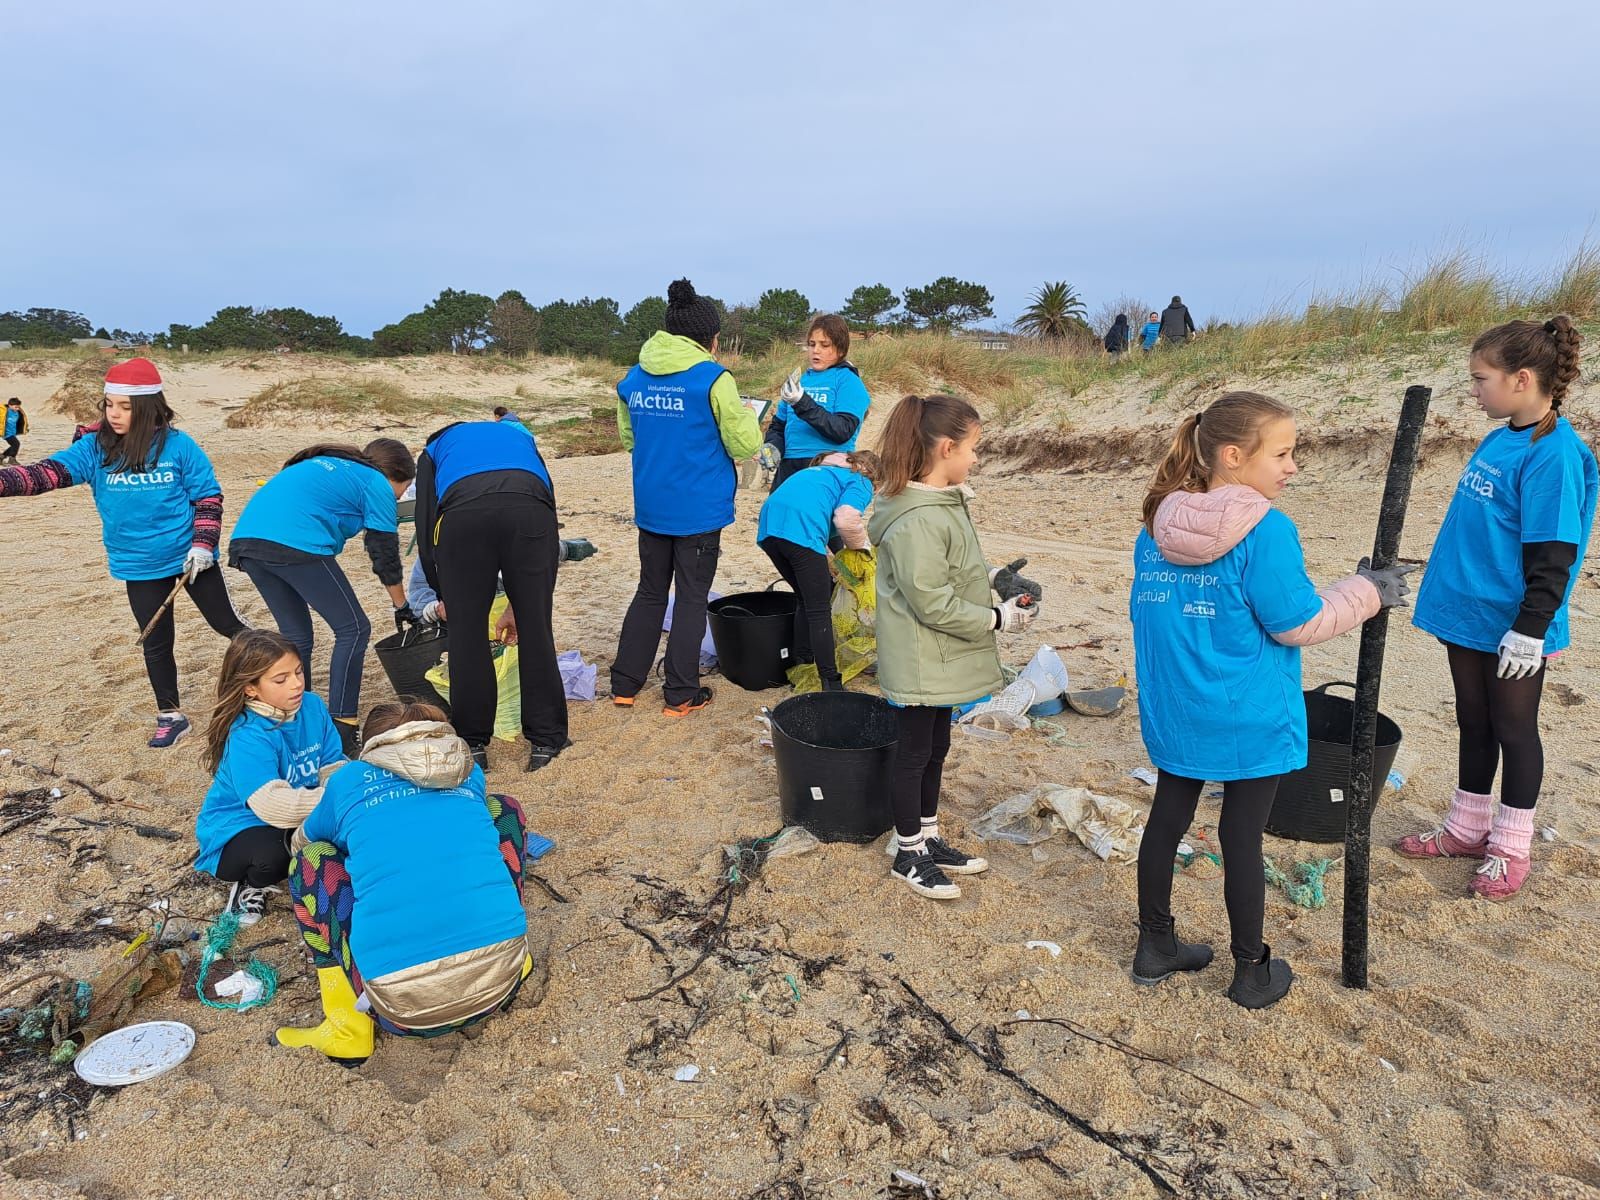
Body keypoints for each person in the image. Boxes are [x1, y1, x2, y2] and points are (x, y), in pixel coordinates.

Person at [1129, 392, 1414, 1008]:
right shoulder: (1267, 528)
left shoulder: (1155, 526)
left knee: (1167, 819)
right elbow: (1297, 622)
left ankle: (1155, 945)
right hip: (1247, 714)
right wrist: (1368, 592)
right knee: (1241, 836)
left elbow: (1154, 621)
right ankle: (1250, 969)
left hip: (1177, 707)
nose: (1292, 467)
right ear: (1233, 456)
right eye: (1283, 454)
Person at [1400, 317, 1596, 900]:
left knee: (1514, 726)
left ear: (1523, 378)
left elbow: (1554, 553)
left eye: (1481, 379)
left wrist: (1530, 629)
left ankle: (1511, 845)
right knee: (1473, 718)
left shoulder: (1554, 454)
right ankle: (1466, 826)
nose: (1474, 390)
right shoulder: (1498, 438)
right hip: (1467, 611)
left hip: (1514, 623)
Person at [0, 358, 246, 747]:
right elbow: (42, 474)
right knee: (156, 640)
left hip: (189, 559)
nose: (114, 414)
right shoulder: (94, 449)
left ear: (148, 407)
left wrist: (203, 545)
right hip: (139, 563)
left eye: (125, 406)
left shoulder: (179, 446)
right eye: (109, 404)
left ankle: (274, 676)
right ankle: (170, 714)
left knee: (228, 626)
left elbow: (207, 497)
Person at [273, 701, 532, 1063]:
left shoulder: (349, 780)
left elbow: (306, 840)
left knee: (309, 863)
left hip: (400, 1013)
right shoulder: (468, 772)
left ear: (373, 745)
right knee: (503, 809)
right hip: (503, 979)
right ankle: (517, 949)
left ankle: (348, 1027)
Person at [868, 394, 1038, 900]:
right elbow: (932, 602)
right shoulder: (917, 516)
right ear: (946, 448)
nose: (976, 458)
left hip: (941, 657)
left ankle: (928, 836)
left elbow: (951, 567)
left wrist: (994, 577)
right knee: (914, 753)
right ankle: (907, 852)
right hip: (923, 657)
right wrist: (997, 618)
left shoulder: (943, 502)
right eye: (973, 448)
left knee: (936, 746)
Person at [612, 278, 761, 716]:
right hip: (698, 509)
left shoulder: (633, 377)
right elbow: (742, 444)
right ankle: (680, 692)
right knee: (693, 597)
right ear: (709, 339)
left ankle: (625, 683)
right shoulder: (713, 378)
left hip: (652, 504)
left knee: (650, 591)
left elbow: (628, 438)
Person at [414, 418, 586, 771]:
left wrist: (444, 590)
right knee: (536, 628)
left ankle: (473, 743)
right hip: (531, 512)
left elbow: (426, 522)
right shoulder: (519, 436)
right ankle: (547, 739)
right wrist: (522, 604)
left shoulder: (433, 450)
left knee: (467, 635)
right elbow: (546, 499)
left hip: (463, 517)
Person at [229, 439, 418, 755]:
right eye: (404, 488)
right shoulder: (375, 482)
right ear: (394, 475)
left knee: (297, 637)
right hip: (295, 541)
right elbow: (384, 553)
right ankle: (343, 726)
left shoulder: (329, 466)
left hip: (248, 542)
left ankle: (299, 721)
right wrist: (401, 605)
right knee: (354, 628)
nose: (400, 497)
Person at [194, 629, 346, 925]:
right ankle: (251, 885)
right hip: (239, 827)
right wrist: (339, 800)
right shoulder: (247, 734)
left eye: (299, 672)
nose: (297, 684)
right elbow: (272, 805)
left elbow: (331, 764)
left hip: (301, 808)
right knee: (277, 856)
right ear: (251, 688)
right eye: (281, 679)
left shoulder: (312, 706)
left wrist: (342, 793)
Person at [756, 450, 880, 691]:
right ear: (875, 476)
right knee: (819, 607)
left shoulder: (820, 472)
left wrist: (830, 560)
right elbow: (846, 519)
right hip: (799, 529)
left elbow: (810, 517)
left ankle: (802, 662)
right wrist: (863, 549)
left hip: (770, 527)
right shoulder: (860, 479)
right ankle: (830, 681)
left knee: (805, 598)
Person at [2, 397, 27, 464]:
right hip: (6, 433)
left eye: (18, 407)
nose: (17, 409)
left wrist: (24, 428)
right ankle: (12, 459)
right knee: (16, 444)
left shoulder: (17, 413)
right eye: (16, 407)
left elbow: (21, 421)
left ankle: (1, 456)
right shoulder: (5, 412)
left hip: (13, 433)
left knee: (14, 445)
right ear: (10, 405)